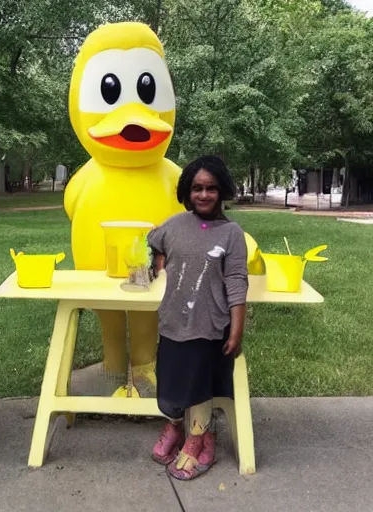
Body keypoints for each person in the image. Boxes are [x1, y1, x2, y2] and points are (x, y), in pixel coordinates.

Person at [147, 155, 248, 481]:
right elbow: (151, 238)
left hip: (208, 326)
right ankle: (177, 428)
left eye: (211, 189)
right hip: (173, 322)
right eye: (197, 189)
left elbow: (236, 281)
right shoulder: (175, 224)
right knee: (172, 384)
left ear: (223, 192)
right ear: (187, 192)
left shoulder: (231, 233)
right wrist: (155, 259)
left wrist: (236, 327)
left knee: (199, 388)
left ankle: (196, 439)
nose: (203, 195)